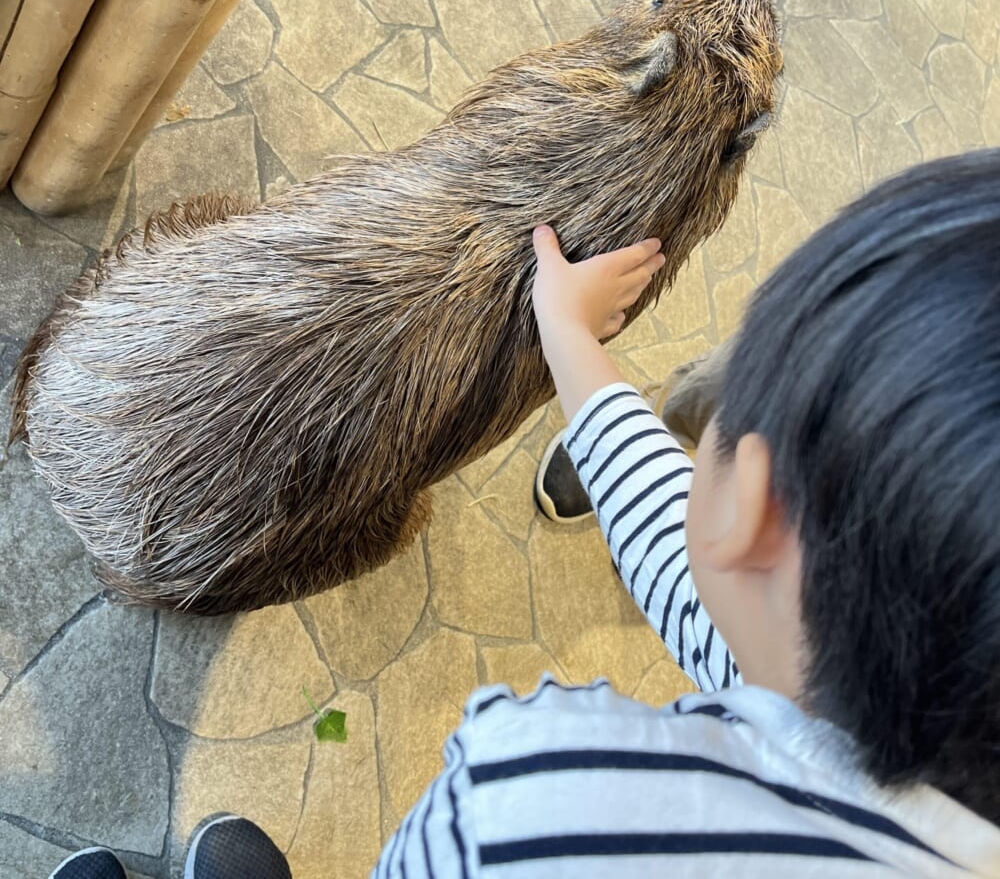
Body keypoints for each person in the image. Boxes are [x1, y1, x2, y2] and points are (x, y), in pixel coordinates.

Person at [52, 150, 1000, 877]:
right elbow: (702, 588)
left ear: (749, 507)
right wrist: (568, 338)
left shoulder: (543, 786)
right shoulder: (896, 726)